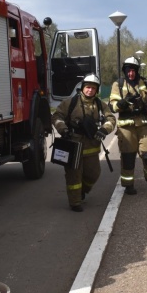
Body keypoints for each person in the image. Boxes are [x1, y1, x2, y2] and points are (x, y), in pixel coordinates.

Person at [51, 74, 116, 211]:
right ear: (82, 88)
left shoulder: (100, 105)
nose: (90, 90)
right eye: (88, 87)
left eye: (93, 88)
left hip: (92, 146)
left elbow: (111, 119)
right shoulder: (70, 103)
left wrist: (104, 130)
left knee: (93, 174)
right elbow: (57, 117)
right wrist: (64, 130)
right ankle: (75, 202)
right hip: (73, 145)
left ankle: (83, 191)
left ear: (96, 90)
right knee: (74, 175)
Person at [108, 57, 147, 195]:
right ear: (124, 71)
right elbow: (112, 106)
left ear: (137, 71)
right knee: (128, 157)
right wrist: (123, 103)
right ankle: (128, 184)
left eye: (133, 70)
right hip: (126, 127)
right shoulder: (118, 85)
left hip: (144, 123)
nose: (131, 73)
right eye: (128, 70)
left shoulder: (145, 83)